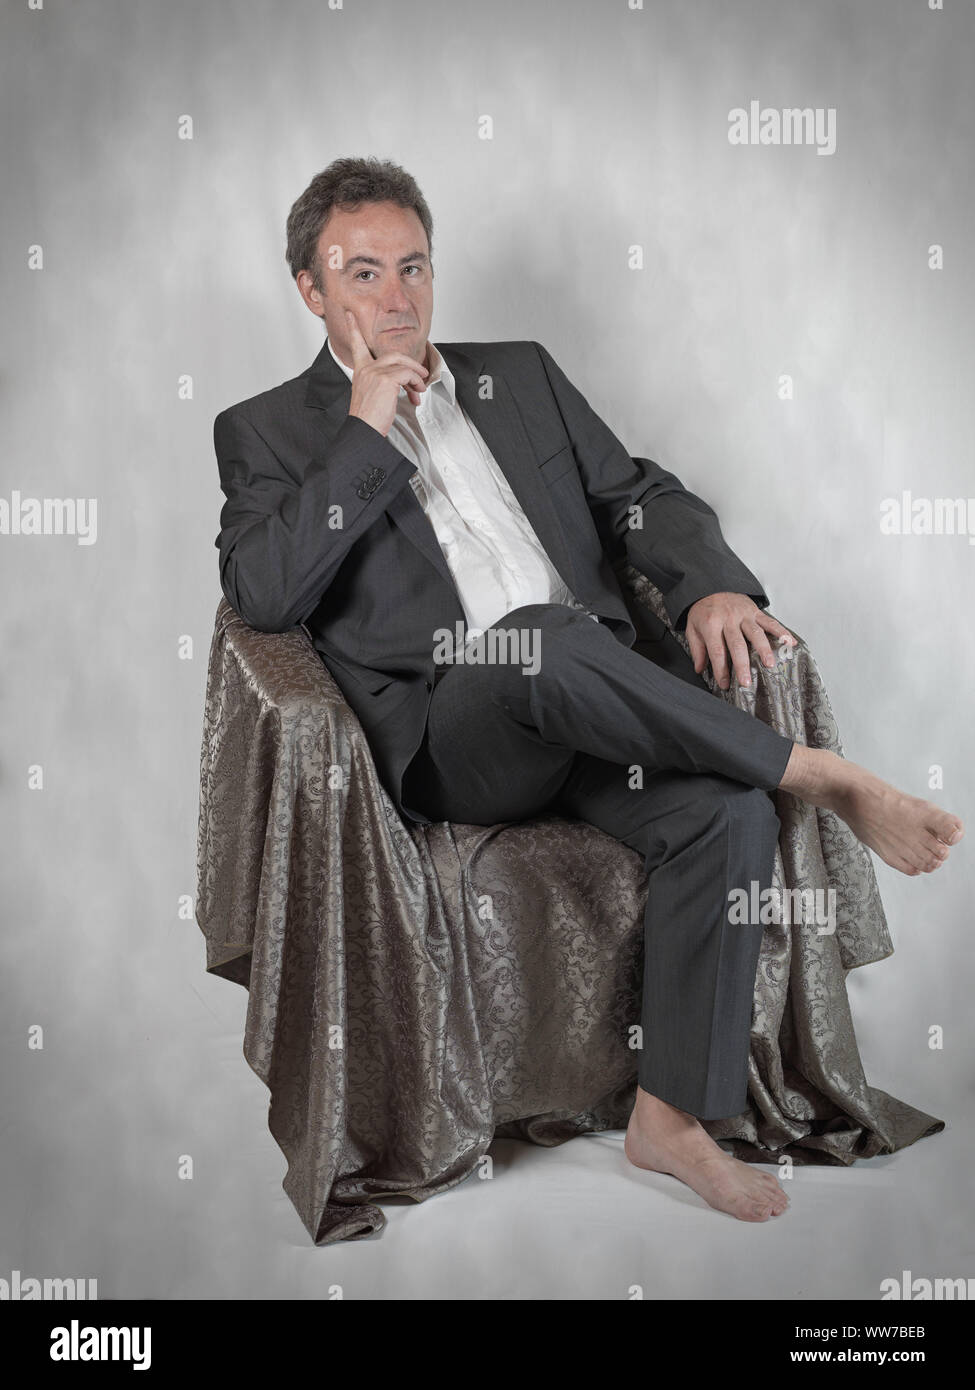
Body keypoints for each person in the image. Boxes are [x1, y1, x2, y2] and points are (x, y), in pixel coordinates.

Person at [213, 157, 964, 1224]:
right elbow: (265, 592)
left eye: (414, 267)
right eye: (364, 273)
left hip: (599, 711)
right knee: (537, 641)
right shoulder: (268, 431)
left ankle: (673, 1117)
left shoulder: (515, 375)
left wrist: (706, 586)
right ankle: (820, 771)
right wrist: (364, 433)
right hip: (452, 737)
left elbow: (636, 493)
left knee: (727, 814)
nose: (396, 298)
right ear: (310, 288)